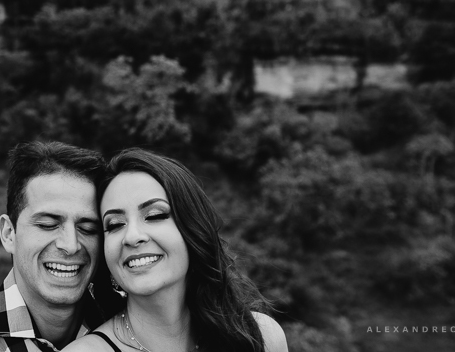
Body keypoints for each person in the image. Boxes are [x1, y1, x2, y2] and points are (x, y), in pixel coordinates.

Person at [62, 148, 288, 352]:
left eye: (154, 216)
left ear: (193, 229)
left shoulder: (261, 336)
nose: (131, 236)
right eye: (114, 225)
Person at [0, 141, 122, 352]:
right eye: (48, 225)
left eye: (87, 228)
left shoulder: (128, 321)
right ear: (8, 233)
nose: (71, 245)